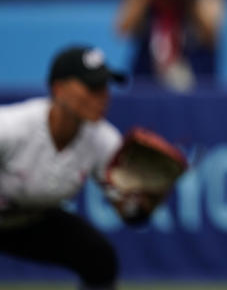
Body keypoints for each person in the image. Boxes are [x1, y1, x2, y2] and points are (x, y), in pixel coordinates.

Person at [0, 45, 161, 289]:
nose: (103, 95)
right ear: (59, 89)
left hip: (29, 220)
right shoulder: (10, 128)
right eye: (92, 87)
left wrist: (146, 199)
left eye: (105, 86)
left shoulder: (104, 140)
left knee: (98, 256)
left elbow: (128, 209)